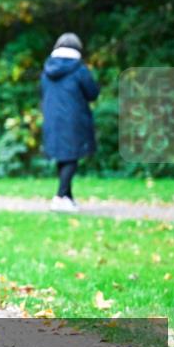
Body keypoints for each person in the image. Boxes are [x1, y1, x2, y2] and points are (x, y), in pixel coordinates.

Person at [40, 32, 99, 212]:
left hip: (51, 119)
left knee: (63, 157)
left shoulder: (46, 70)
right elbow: (92, 93)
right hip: (74, 119)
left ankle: (68, 198)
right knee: (72, 156)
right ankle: (59, 197)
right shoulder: (79, 70)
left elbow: (42, 92)